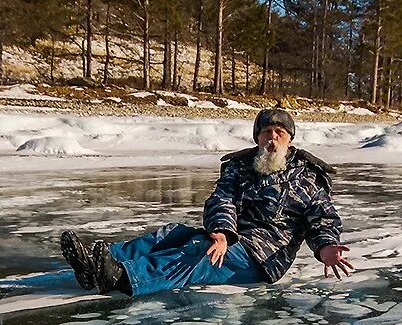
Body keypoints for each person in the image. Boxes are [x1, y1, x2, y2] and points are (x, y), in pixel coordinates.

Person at [60, 107, 354, 296]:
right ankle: (98, 259)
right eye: (266, 132)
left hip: (263, 257)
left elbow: (322, 216)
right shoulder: (241, 166)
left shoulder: (306, 176)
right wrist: (223, 232)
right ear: (257, 137)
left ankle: (124, 277)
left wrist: (326, 247)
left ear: (289, 139)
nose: (272, 139)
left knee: (197, 251)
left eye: (280, 133)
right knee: (174, 233)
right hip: (234, 240)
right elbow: (221, 198)